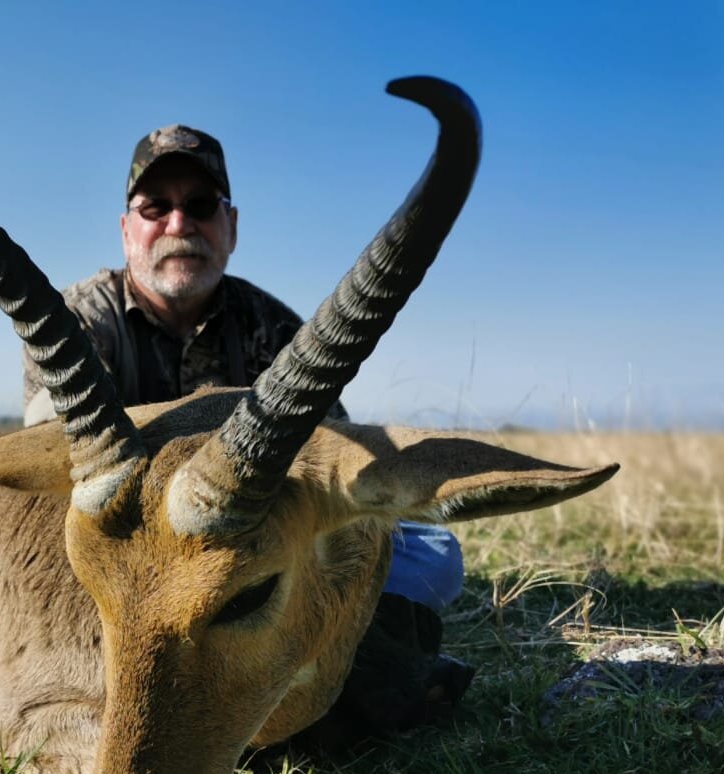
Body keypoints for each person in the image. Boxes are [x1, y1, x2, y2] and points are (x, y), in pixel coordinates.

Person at [23, 122, 464, 615]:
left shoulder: (277, 329)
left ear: (231, 226)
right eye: (155, 208)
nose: (178, 224)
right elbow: (53, 449)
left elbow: (330, 453)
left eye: (201, 206)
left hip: (247, 541)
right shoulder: (74, 321)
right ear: (127, 231)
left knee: (438, 560)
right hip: (129, 548)